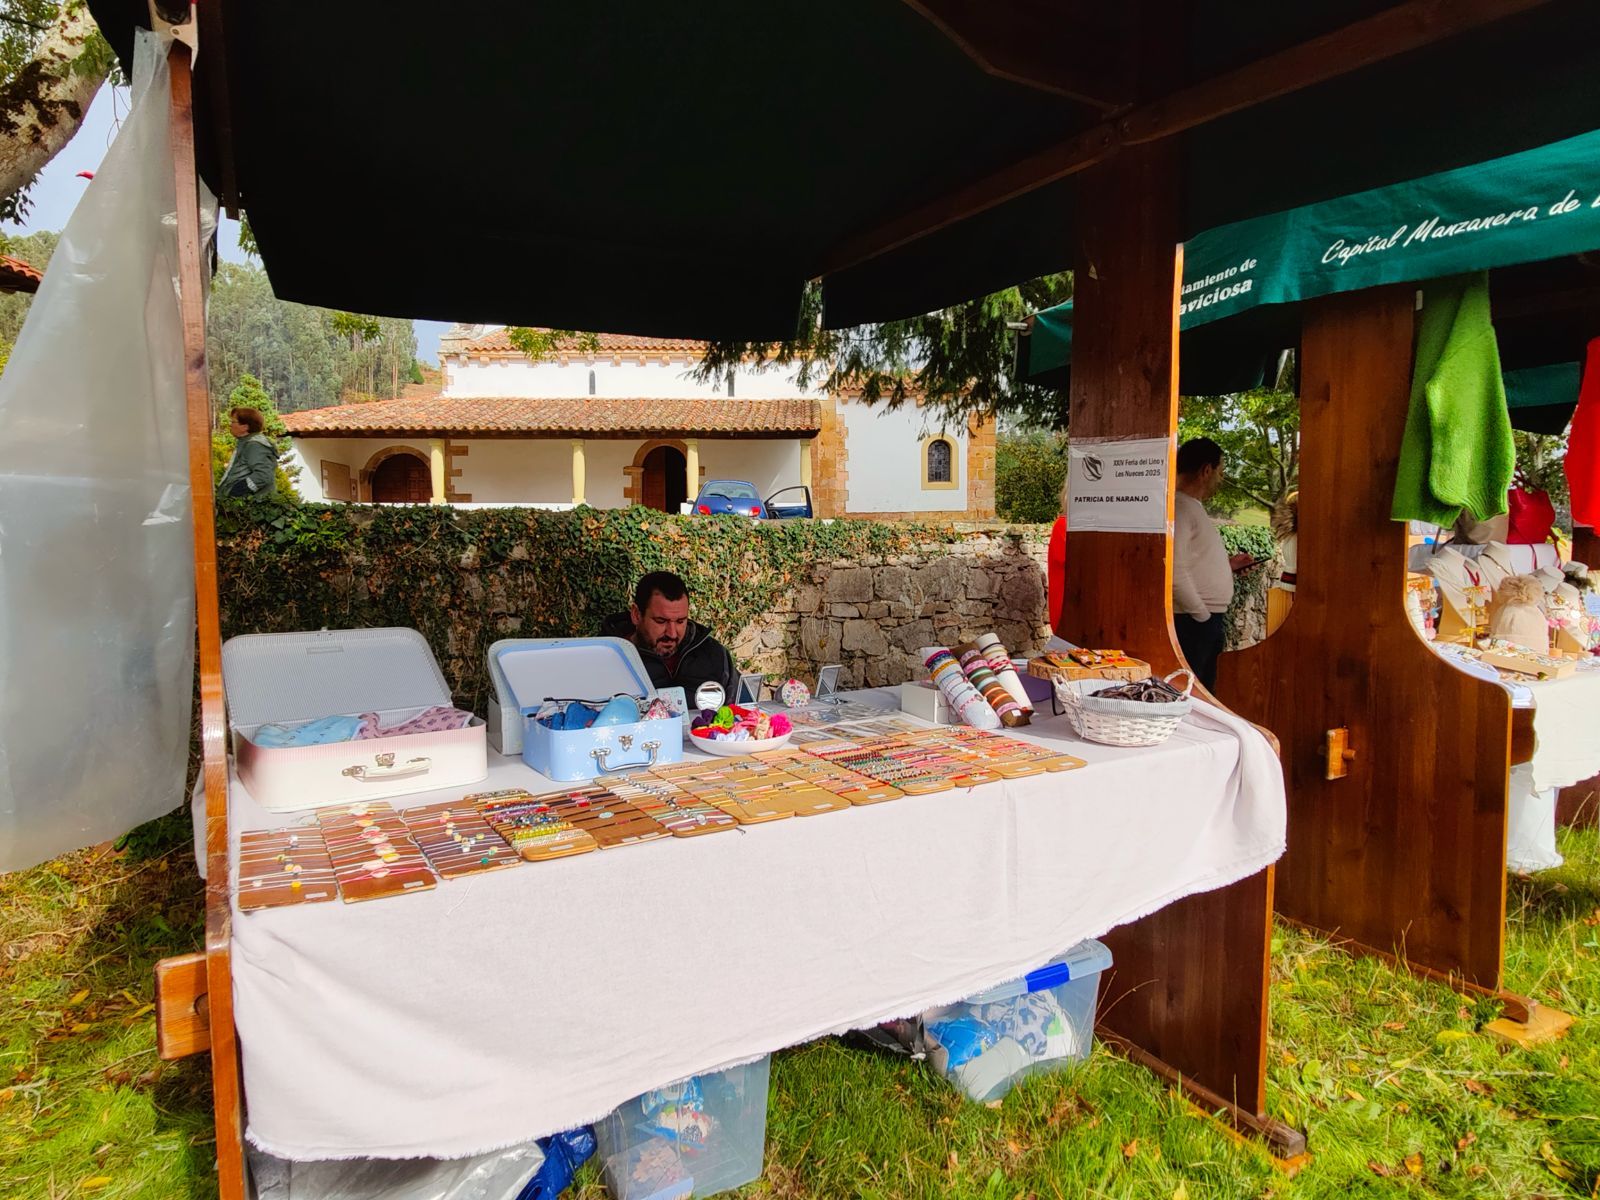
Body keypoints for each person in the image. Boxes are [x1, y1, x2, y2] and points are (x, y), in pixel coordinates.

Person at [1172, 438, 1252, 690]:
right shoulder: (1182, 507)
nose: (1220, 477)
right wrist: (1201, 615)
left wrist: (1228, 566)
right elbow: (1174, 569)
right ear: (1206, 470)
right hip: (1193, 621)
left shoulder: (1190, 507)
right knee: (1197, 692)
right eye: (1220, 471)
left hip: (1199, 619)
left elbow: (1191, 562)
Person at [601, 571, 736, 702]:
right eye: (661, 621)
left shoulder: (713, 654)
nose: (672, 633)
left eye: (680, 621)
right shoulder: (605, 659)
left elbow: (741, 710)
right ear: (636, 615)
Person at [218, 406, 279, 499]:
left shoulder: (255, 445)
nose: (230, 425)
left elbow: (263, 475)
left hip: (253, 508)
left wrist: (235, 492)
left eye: (233, 422)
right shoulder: (246, 443)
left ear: (245, 427)